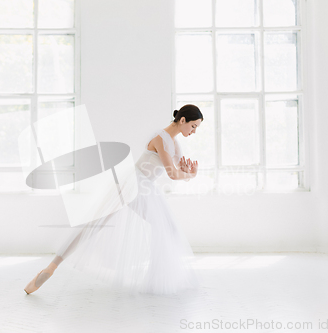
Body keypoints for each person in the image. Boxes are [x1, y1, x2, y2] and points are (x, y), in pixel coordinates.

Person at [24, 104, 204, 295]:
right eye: (193, 126)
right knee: (98, 223)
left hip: (143, 186)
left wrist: (186, 171)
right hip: (134, 185)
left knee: (101, 224)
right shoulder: (160, 138)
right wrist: (190, 175)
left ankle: (51, 267)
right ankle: (52, 267)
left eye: (196, 128)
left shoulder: (175, 144)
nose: (194, 131)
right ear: (182, 120)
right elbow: (173, 174)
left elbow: (177, 170)